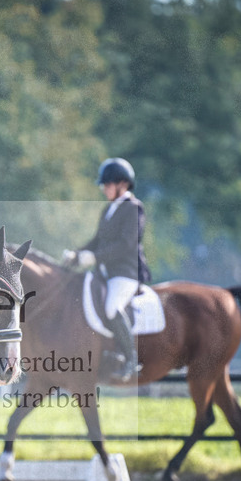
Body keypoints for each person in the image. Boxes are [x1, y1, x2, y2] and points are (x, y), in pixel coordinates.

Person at [63, 157, 150, 382]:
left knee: (112, 307)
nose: (104, 189)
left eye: (107, 184)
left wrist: (94, 257)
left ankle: (131, 358)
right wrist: (77, 254)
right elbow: (97, 241)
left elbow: (126, 244)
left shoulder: (134, 208)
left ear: (122, 184)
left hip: (125, 274)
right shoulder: (108, 210)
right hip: (104, 273)